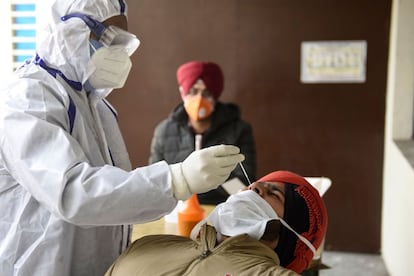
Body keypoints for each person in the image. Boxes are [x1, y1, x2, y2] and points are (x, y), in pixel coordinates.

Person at [0, 1, 245, 276]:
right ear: (68, 31)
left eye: (123, 43)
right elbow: (73, 193)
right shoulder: (27, 98)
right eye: (108, 39)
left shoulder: (96, 106)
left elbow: (115, 196)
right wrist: (177, 180)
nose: (117, 53)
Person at [104, 170, 328, 276]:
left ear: (292, 237)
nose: (252, 188)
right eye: (255, 185)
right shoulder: (147, 246)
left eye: (274, 195)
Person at [149, 60, 256, 204]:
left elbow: (243, 186)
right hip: (176, 211)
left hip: (221, 206)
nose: (199, 99)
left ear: (216, 96)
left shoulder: (239, 130)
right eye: (193, 92)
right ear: (183, 93)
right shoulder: (164, 131)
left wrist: (210, 175)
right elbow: (156, 182)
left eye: (206, 93)